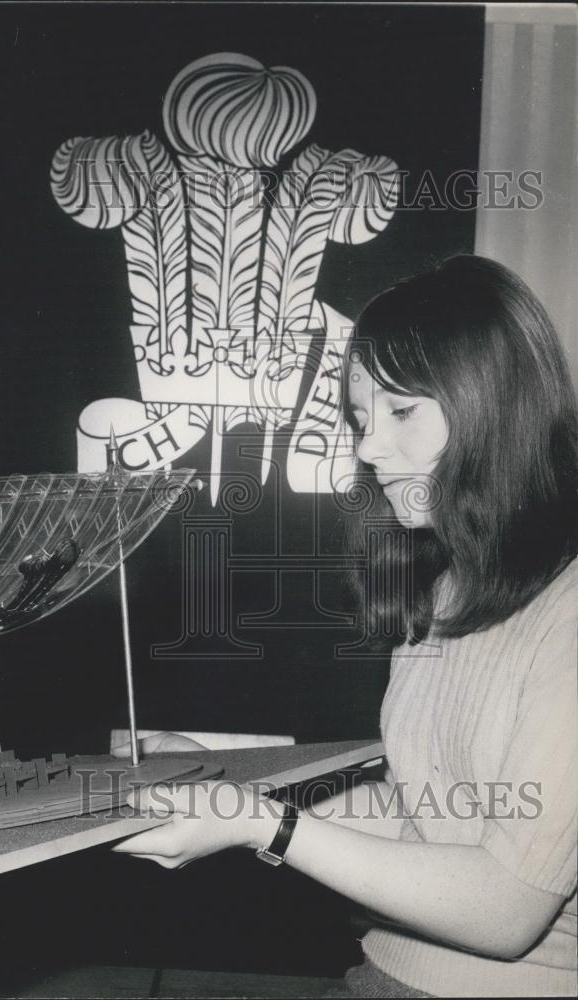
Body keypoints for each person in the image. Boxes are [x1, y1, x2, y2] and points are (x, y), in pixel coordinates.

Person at [111, 255, 578, 998]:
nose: (367, 449)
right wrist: (227, 778)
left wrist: (261, 825)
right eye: (361, 419)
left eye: (400, 411)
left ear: (495, 406)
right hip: (383, 974)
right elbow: (414, 810)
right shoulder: (449, 585)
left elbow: (506, 908)